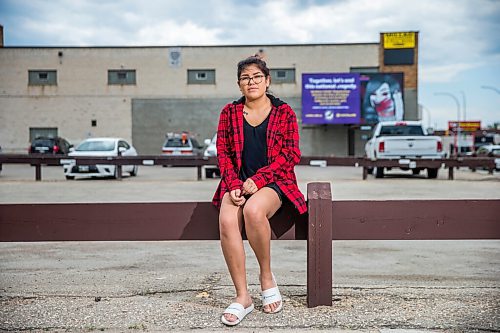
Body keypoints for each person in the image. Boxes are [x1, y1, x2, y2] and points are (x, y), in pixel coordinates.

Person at [212, 56, 307, 326]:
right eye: (245, 78)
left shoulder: (284, 112)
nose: (251, 82)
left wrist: (260, 178)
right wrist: (232, 183)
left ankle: (266, 276)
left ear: (267, 81)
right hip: (237, 183)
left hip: (274, 182)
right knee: (228, 219)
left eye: (256, 77)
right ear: (239, 84)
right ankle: (243, 297)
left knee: (254, 211)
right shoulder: (228, 113)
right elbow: (223, 153)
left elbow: (291, 154)